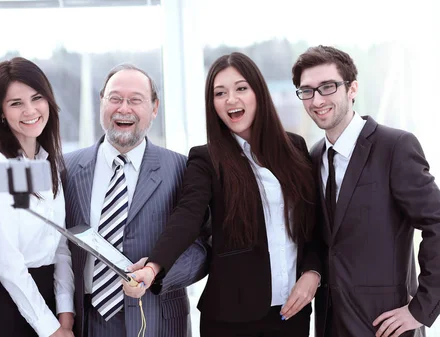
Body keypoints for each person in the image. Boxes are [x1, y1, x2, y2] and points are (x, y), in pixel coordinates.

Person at [126, 52, 322, 337]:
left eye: (241, 88)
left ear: (259, 93)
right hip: (231, 319)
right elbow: (187, 216)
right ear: (213, 104)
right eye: (220, 93)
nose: (231, 99)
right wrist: (154, 266)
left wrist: (312, 273)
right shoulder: (206, 159)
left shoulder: (295, 148)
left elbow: (312, 224)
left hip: (291, 312)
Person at [291, 45, 440, 337]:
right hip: (329, 324)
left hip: (384, 326)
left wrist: (421, 308)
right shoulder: (313, 156)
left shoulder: (395, 147)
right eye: (307, 91)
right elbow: (322, 239)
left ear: (352, 88)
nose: (317, 99)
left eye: (327, 87)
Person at [63, 64, 210, 337]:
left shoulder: (181, 168)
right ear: (101, 103)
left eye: (135, 100)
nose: (123, 108)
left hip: (159, 320)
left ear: (154, 108)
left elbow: (201, 249)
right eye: (115, 98)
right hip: (87, 322)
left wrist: (157, 275)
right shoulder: (67, 168)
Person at [0, 57, 74, 337]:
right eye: (16, 103)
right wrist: (50, 327)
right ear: (1, 113)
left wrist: (65, 317)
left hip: (48, 300)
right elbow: (7, 260)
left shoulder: (47, 164)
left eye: (37, 98)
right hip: (10, 303)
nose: (30, 110)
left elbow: (60, 246)